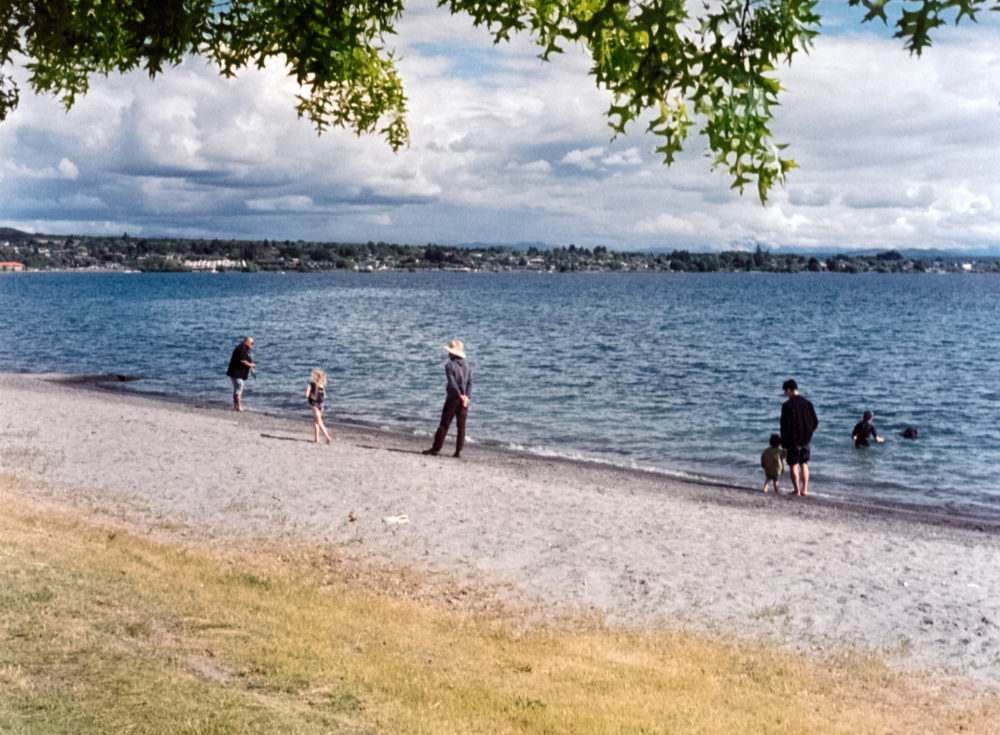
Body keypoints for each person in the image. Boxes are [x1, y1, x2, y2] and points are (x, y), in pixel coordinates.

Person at [423, 339, 472, 458]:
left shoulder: (449, 365)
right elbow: (470, 383)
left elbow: (452, 382)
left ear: (452, 353)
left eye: (450, 351)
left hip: (453, 398)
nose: (448, 353)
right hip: (464, 399)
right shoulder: (467, 366)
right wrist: (466, 397)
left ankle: (436, 449)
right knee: (461, 427)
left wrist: (459, 395)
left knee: (444, 424)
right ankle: (458, 452)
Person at [780, 379, 818, 496]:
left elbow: (784, 425)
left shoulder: (787, 405)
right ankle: (804, 489)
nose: (786, 395)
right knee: (804, 463)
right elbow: (815, 421)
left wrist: (784, 441)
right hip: (805, 439)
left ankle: (796, 490)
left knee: (793, 465)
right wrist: (809, 433)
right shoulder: (808, 403)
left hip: (793, 440)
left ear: (788, 390)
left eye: (785, 392)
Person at [226, 336, 255, 412]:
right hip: (236, 373)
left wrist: (250, 367)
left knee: (237, 389)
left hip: (237, 373)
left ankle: (236, 406)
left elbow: (246, 360)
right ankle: (238, 407)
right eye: (251, 343)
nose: (252, 345)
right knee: (239, 387)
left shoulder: (245, 349)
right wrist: (251, 365)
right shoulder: (241, 349)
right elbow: (242, 361)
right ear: (247, 342)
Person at [306, 369, 332, 444]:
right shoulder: (322, 385)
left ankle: (327, 437)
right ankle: (316, 439)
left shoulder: (311, 384)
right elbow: (324, 396)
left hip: (314, 404)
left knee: (319, 422)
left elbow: (307, 395)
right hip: (321, 405)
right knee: (316, 422)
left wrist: (313, 396)